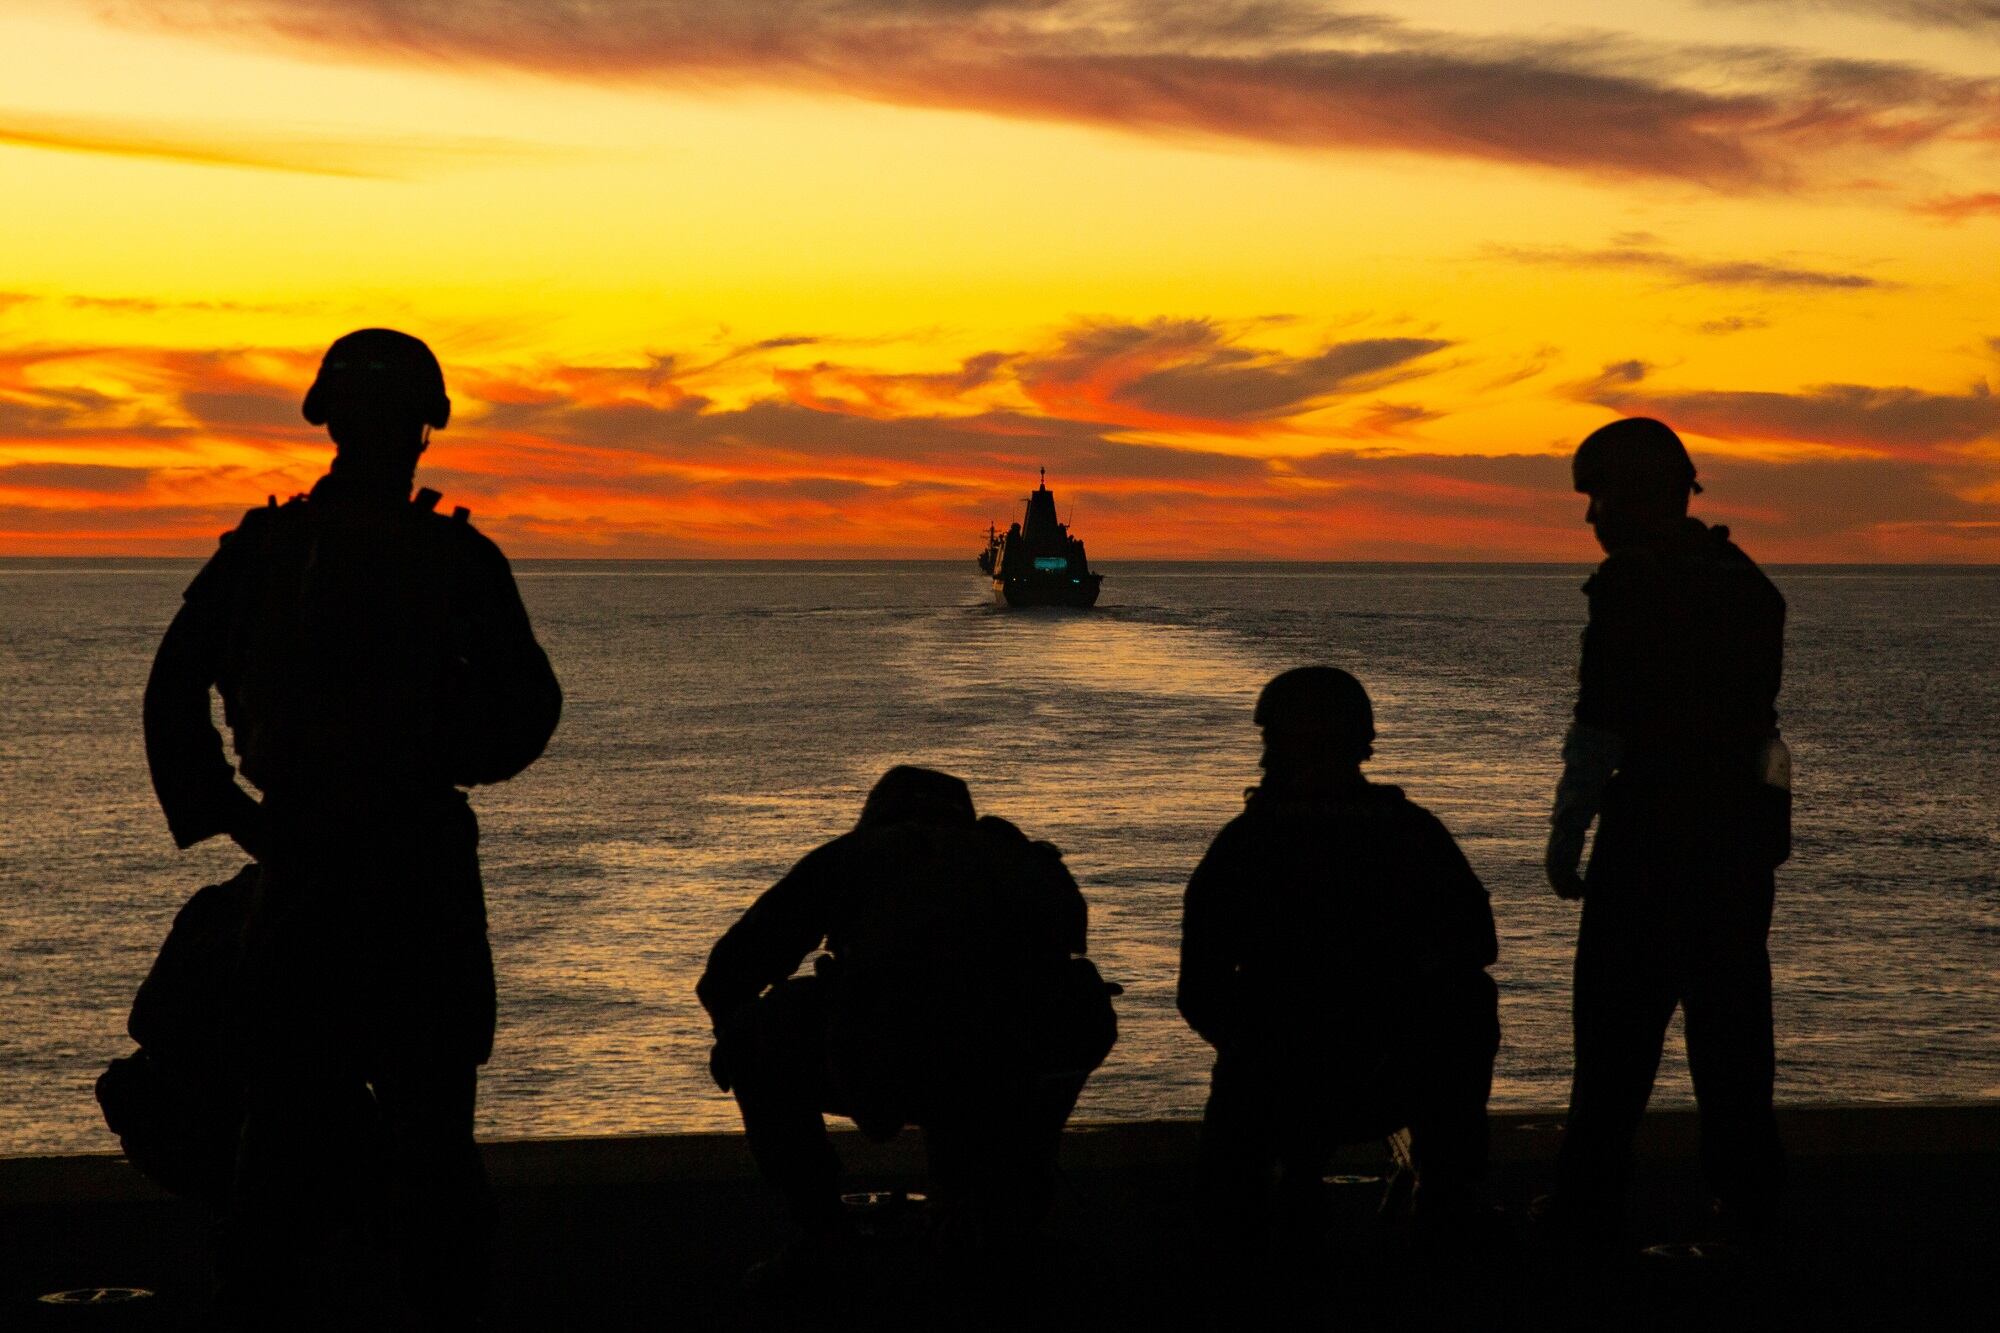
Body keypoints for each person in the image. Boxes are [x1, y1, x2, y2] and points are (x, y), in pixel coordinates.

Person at [143, 328, 562, 1328]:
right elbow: (527, 710)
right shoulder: (443, 557)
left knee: (290, 1142)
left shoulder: (271, 553)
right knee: (410, 1142)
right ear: (425, 428)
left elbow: (172, 694)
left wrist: (240, 822)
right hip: (395, 872)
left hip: (321, 869)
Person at [697, 766, 1117, 1280]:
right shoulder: (1025, 860)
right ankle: (1003, 1217)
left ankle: (825, 1233)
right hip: (1021, 1066)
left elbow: (728, 973)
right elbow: (1067, 948)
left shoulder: (854, 856)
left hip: (895, 1060)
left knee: (755, 1039)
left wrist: (738, 1036)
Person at [1540, 416, 1789, 1242]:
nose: (1592, 519)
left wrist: (1567, 831)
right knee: (1733, 1041)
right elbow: (1760, 733)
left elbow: (1599, 726)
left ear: (1640, 493)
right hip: (1736, 847)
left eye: (1599, 496)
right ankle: (1748, 1206)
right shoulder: (1749, 585)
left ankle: (1586, 1204)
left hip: (1650, 842)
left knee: (1613, 1038)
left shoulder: (1631, 588)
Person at [1178, 667, 1499, 1247]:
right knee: (1467, 1000)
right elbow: (1476, 944)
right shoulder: (1412, 833)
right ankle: (1446, 1205)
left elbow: (1199, 989)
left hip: (1293, 1075)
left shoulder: (1246, 845)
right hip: (1382, 1071)